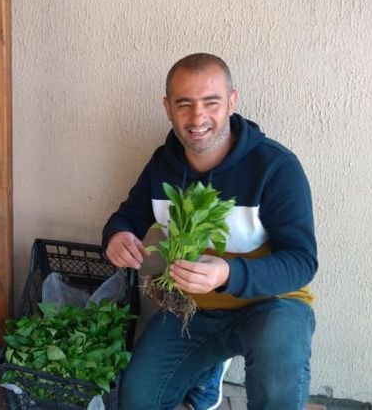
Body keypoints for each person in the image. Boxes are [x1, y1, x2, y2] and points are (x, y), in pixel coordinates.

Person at [102, 53, 317, 410]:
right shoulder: (162, 164)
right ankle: (208, 367)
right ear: (168, 107)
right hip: (191, 309)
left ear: (232, 102)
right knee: (137, 400)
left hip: (270, 306)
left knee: (278, 383)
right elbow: (128, 216)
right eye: (184, 104)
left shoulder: (276, 167)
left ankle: (211, 366)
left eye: (211, 102)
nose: (197, 117)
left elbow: (301, 262)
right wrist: (117, 236)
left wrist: (228, 273)